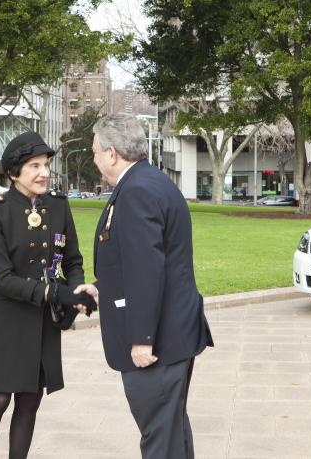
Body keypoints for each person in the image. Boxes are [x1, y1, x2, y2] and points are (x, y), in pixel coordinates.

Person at [78, 113, 214, 459]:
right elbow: (138, 260)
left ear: (111, 153)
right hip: (172, 332)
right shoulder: (148, 182)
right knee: (169, 433)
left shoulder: (137, 190)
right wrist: (101, 288)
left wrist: (142, 339)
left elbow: (146, 269)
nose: (94, 161)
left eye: (95, 153)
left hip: (158, 341)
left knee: (159, 438)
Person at [0, 132, 97, 459]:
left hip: (42, 320)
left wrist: (78, 289)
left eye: (46, 165)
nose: (43, 172)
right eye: (34, 166)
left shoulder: (57, 205)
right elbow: (1, 278)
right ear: (14, 172)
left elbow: (71, 260)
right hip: (5, 318)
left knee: (29, 400)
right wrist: (52, 292)